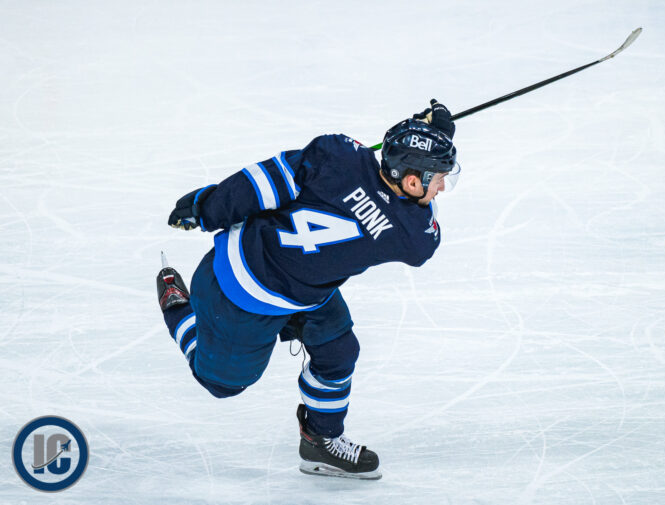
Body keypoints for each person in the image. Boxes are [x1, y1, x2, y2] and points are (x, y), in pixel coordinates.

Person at [155, 99, 459, 480]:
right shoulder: (414, 236)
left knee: (338, 351)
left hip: (303, 291)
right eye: (439, 178)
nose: (443, 186)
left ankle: (320, 441)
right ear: (412, 182)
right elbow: (415, 217)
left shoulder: (339, 153)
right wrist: (430, 137)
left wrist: (206, 207)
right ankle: (179, 309)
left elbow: (262, 182)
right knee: (219, 384)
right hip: (237, 291)